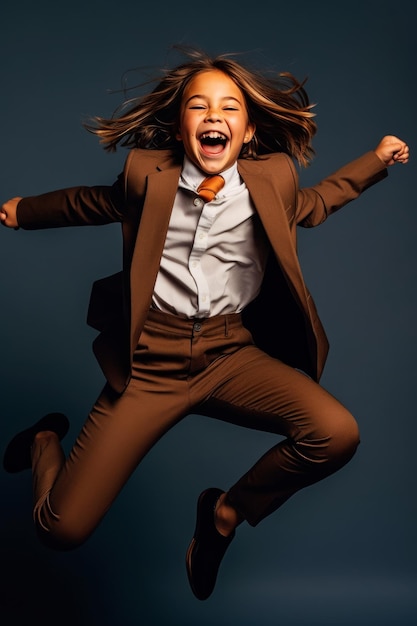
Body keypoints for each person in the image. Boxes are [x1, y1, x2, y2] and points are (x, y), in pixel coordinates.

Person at [1, 46, 409, 601]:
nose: (214, 116)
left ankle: (224, 513)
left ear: (247, 131)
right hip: (149, 365)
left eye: (230, 109)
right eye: (199, 106)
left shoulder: (272, 181)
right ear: (180, 124)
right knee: (59, 530)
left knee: (336, 434)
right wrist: (23, 212)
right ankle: (45, 440)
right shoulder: (149, 176)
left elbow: (317, 203)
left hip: (229, 355)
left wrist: (376, 161)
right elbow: (94, 203)